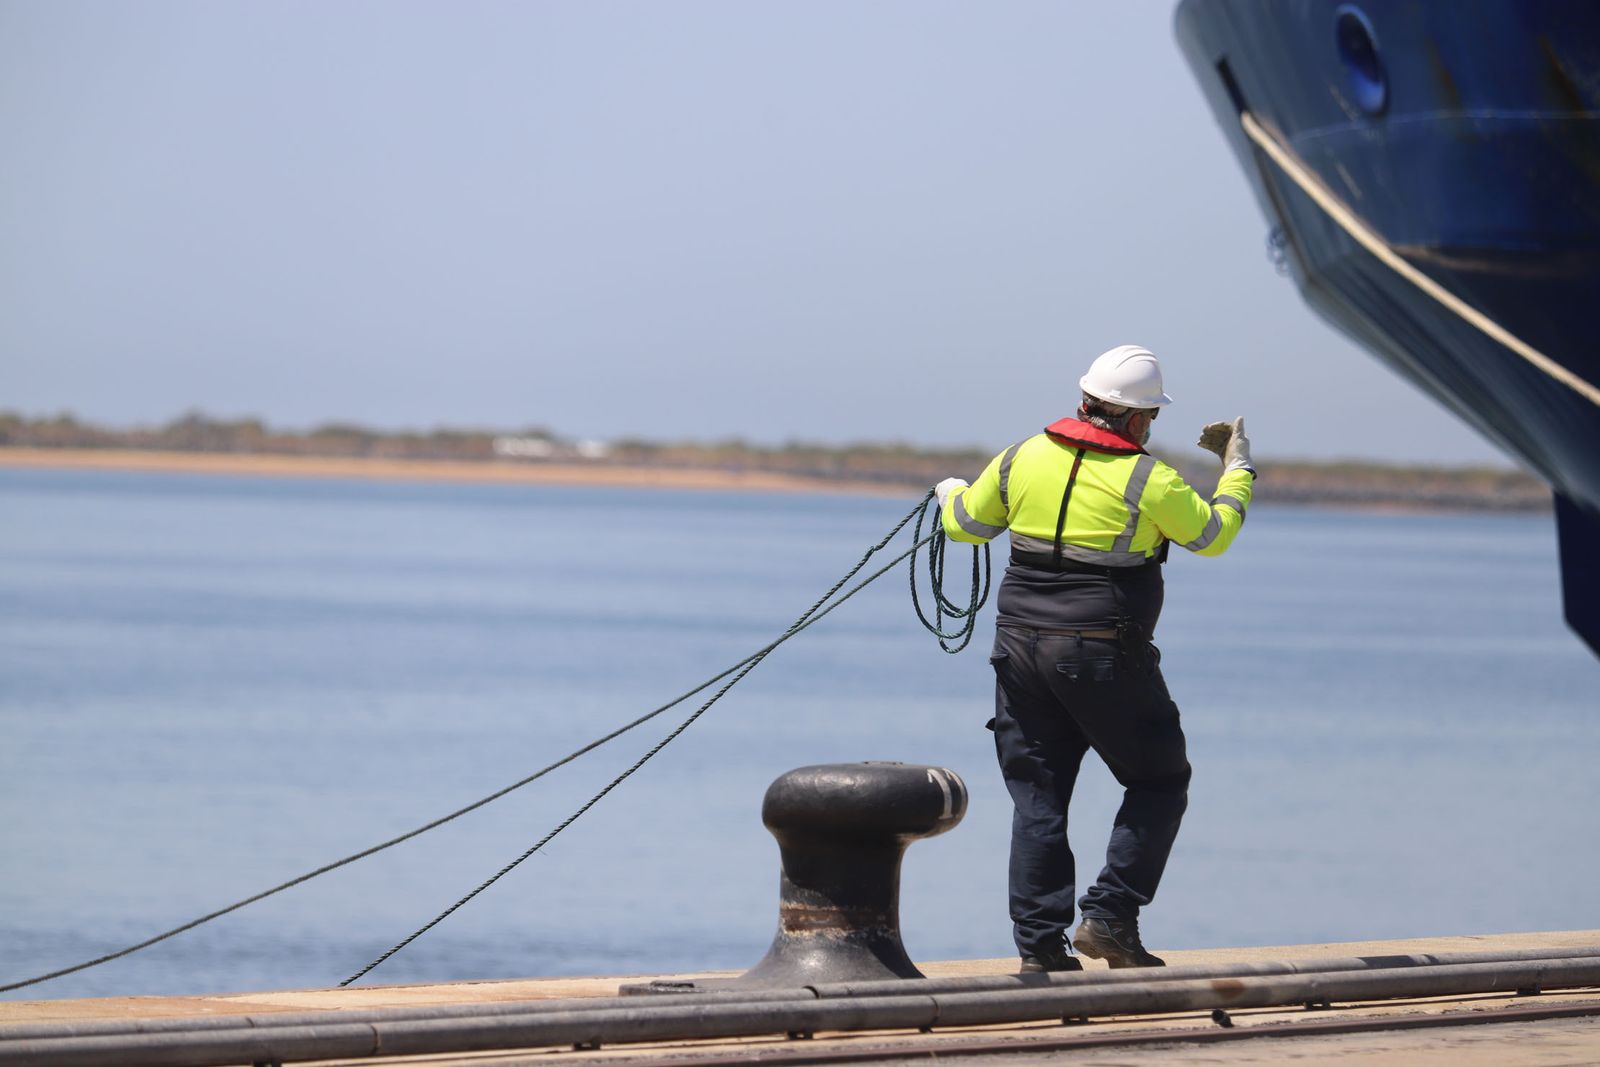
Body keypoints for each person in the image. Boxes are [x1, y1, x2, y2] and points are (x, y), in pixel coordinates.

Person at [935, 344, 1255, 973]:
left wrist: (950, 493)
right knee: (1159, 781)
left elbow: (966, 526)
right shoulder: (1148, 478)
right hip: (1103, 656)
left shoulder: (1021, 456)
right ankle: (1110, 917)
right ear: (1138, 419)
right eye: (1152, 419)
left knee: (1040, 799)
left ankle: (1041, 953)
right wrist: (1238, 468)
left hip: (1019, 655)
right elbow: (1214, 535)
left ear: (1086, 400)